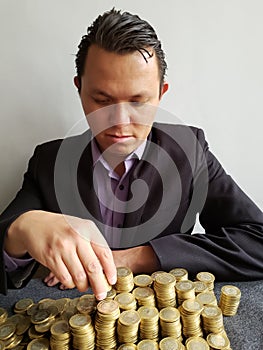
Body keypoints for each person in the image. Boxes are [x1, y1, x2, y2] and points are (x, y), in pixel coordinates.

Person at [0, 8, 262, 299]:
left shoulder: (191, 150)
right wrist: (19, 231)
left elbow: (257, 241)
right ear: (80, 89)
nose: (120, 123)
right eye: (102, 100)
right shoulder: (47, 162)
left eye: (138, 102)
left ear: (161, 94)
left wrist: (135, 257)